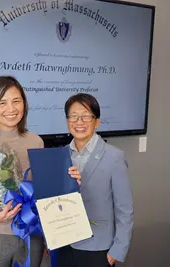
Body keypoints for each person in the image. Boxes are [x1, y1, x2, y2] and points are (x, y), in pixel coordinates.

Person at [0, 76, 81, 267]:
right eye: (2, 103)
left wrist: (70, 182)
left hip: (29, 236)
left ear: (24, 105)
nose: (11, 109)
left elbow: (43, 191)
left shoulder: (36, 141)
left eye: (16, 101)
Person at [57, 93, 134, 267]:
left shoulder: (114, 157)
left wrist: (118, 249)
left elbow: (125, 209)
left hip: (98, 247)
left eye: (86, 116)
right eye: (73, 117)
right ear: (67, 121)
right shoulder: (60, 155)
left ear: (97, 121)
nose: (79, 122)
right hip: (65, 244)